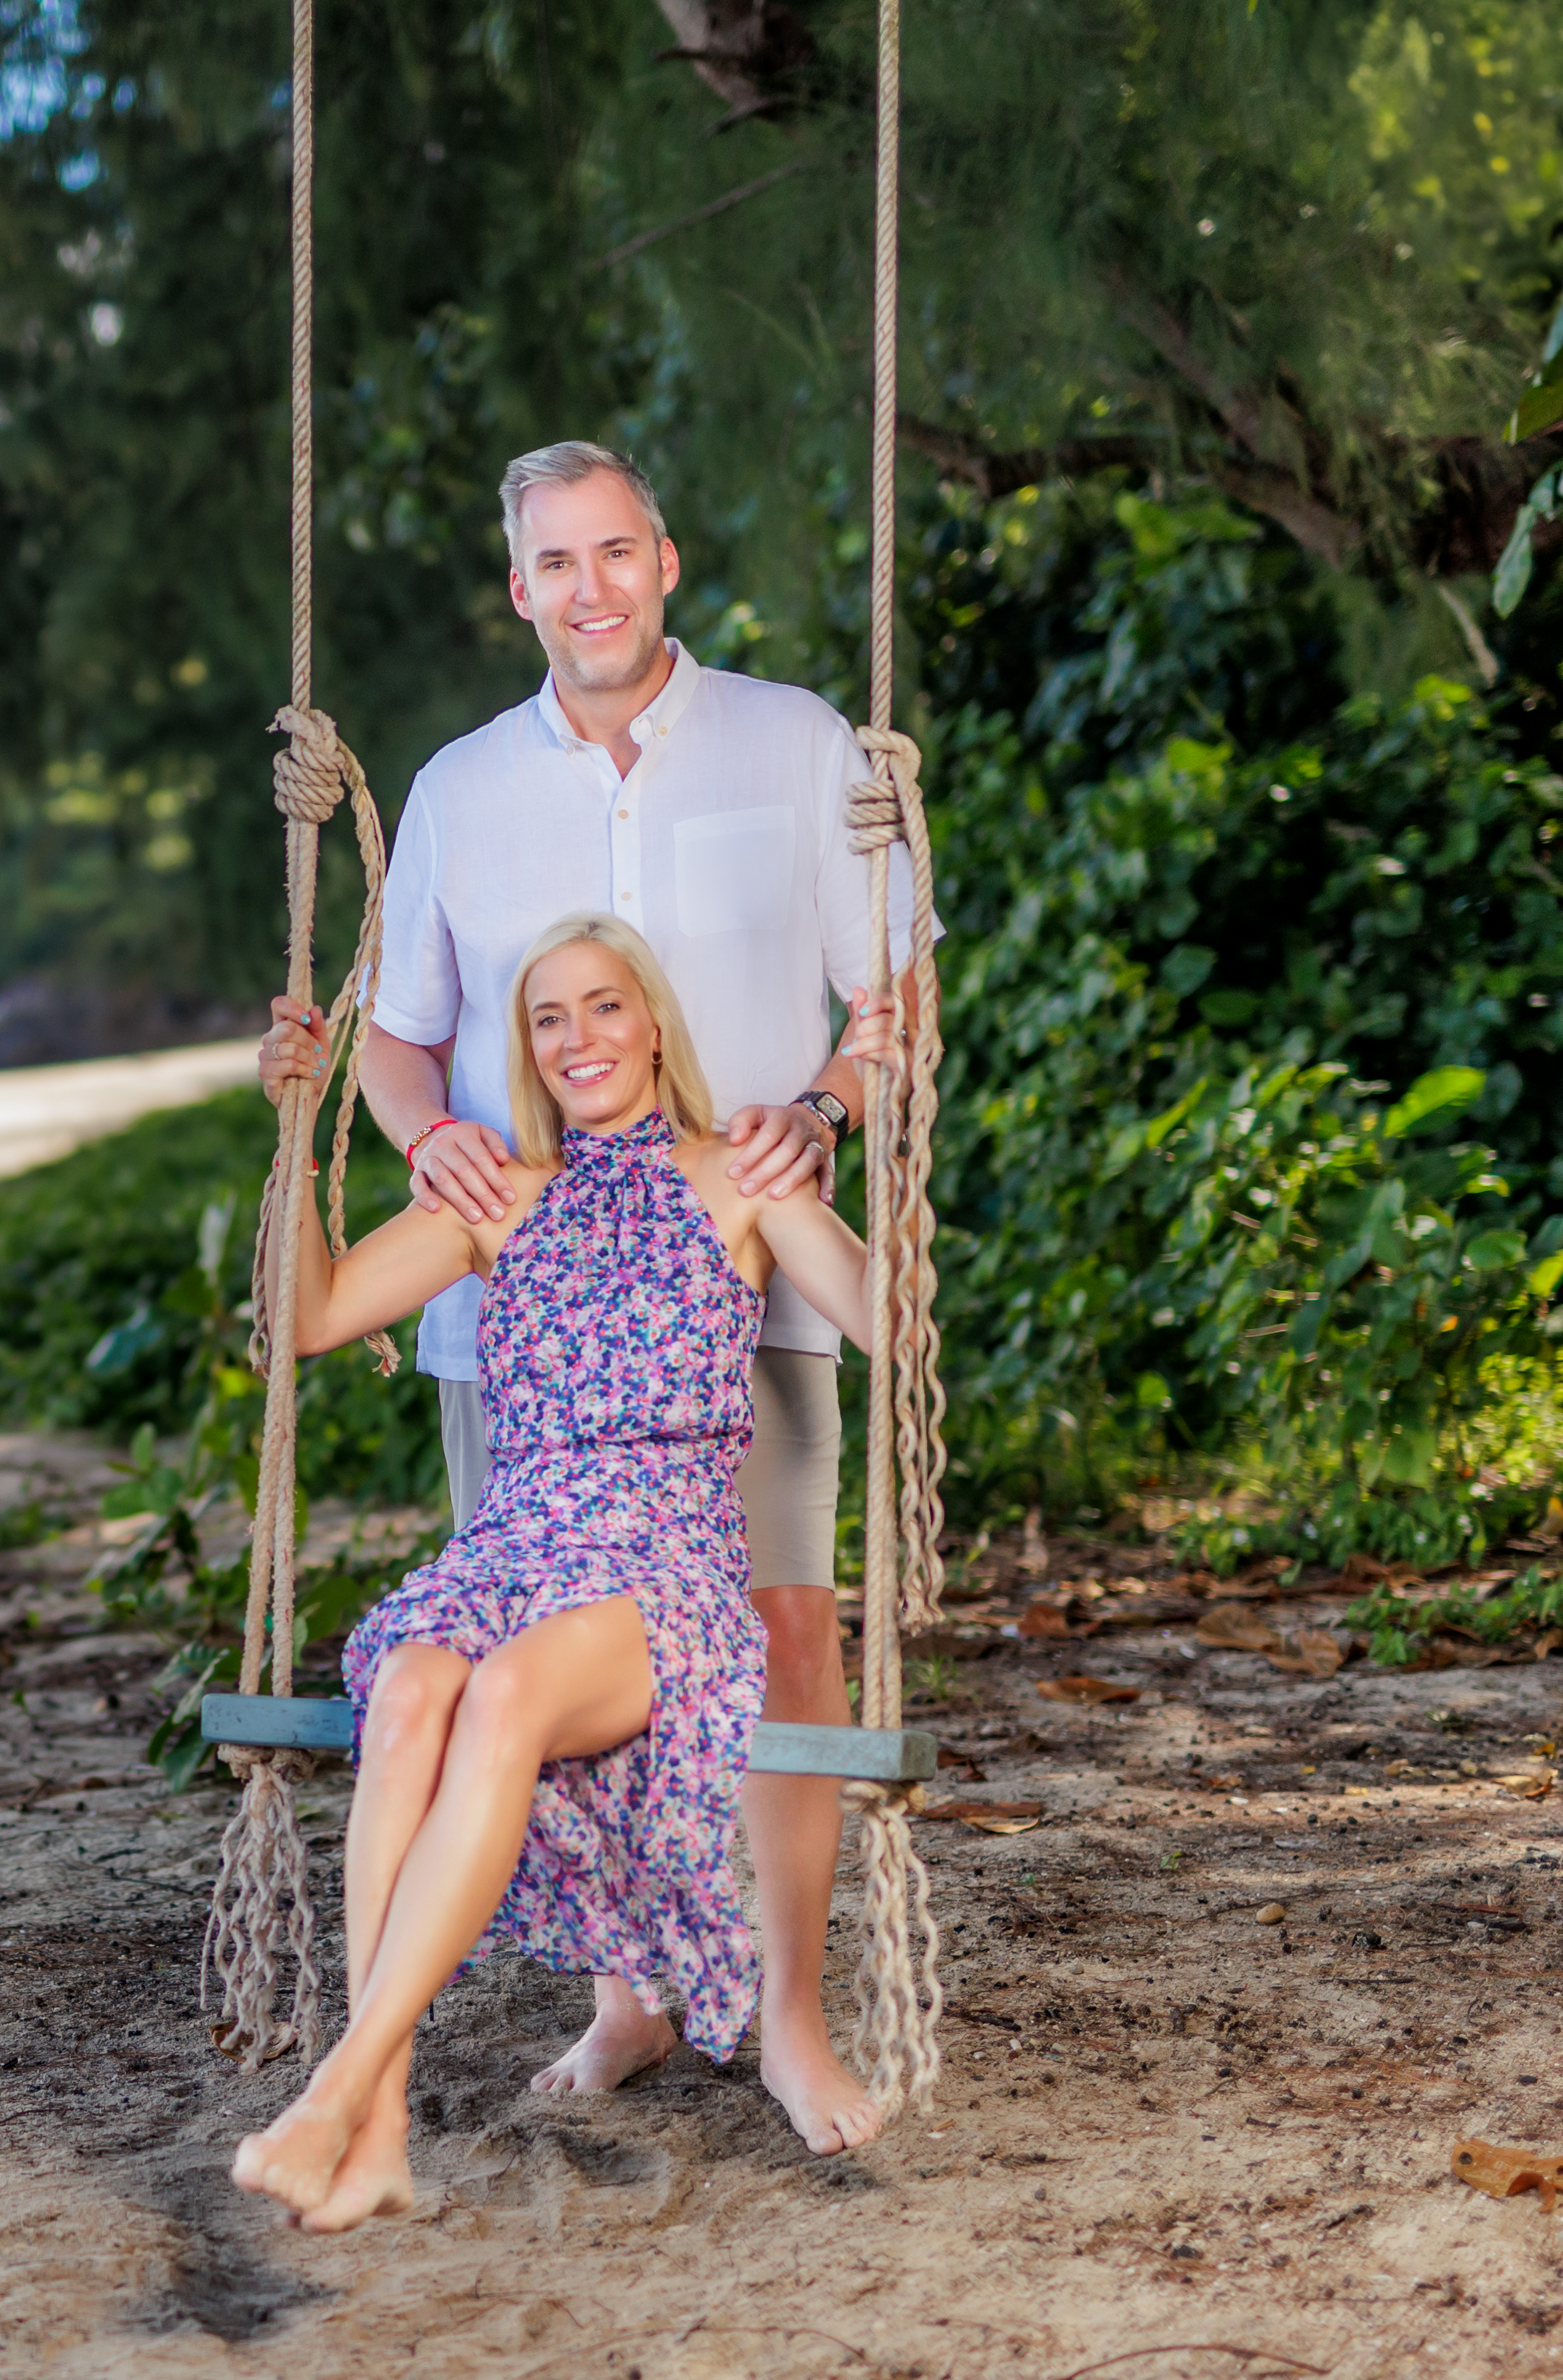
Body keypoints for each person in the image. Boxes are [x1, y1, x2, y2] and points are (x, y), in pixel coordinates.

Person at [262, 438, 935, 2154]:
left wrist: (830, 1119)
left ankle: (783, 2013)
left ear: (668, 559)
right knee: (532, 1656)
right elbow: (405, 1042)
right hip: (532, 1294)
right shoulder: (465, 787)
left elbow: (895, 1001)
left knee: (784, 1630)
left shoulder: (794, 743)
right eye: (555, 563)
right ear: (520, 589)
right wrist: (426, 1152)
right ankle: (625, 1994)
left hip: (745, 1261)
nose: (591, 588)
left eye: (615, 551)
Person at [229, 915, 875, 2235]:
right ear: (524, 1049)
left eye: (602, 1007)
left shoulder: (738, 1177)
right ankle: (383, 2120)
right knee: (410, 1687)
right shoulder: (500, 1195)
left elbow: (888, 1323)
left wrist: (885, 1110)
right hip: (512, 1546)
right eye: (546, 1017)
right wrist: (297, 1126)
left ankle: (339, 2088)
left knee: (508, 1695)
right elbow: (303, 1322)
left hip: (659, 1566)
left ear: (651, 1025)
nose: (577, 1037)